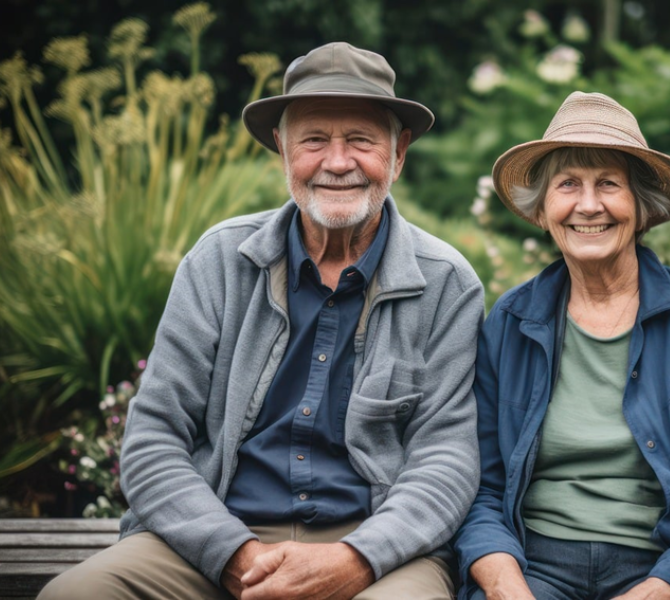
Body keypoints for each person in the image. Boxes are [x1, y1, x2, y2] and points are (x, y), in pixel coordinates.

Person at [39, 42, 484, 600]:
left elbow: (447, 460)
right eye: (315, 139)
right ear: (282, 148)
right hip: (217, 529)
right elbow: (153, 438)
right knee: (74, 595)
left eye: (362, 141)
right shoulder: (219, 260)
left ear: (398, 154)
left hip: (376, 544)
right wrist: (234, 555)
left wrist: (356, 560)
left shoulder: (446, 282)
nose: (338, 161)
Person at [453, 91, 670, 600]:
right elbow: (481, 490)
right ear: (542, 210)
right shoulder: (510, 322)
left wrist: (658, 590)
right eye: (567, 185)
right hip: (534, 563)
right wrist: (506, 585)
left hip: (666, 565)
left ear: (641, 207)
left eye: (608, 183)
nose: (588, 205)